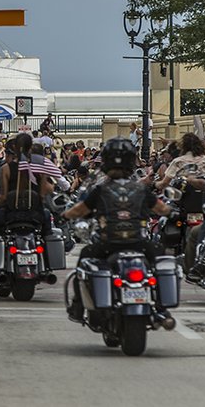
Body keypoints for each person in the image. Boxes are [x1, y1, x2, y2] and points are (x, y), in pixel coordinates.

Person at [63, 138, 174, 323]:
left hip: (108, 244)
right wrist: (174, 211)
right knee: (159, 262)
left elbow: (80, 210)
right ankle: (161, 307)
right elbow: (162, 209)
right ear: (132, 161)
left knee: (84, 259)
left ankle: (78, 306)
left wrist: (65, 215)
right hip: (139, 243)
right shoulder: (140, 188)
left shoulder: (100, 189)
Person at [0, 132, 56, 236]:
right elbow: (44, 192)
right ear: (31, 148)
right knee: (48, 224)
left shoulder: (6, 169)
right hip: (36, 214)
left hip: (10, 215)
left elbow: (3, 196)